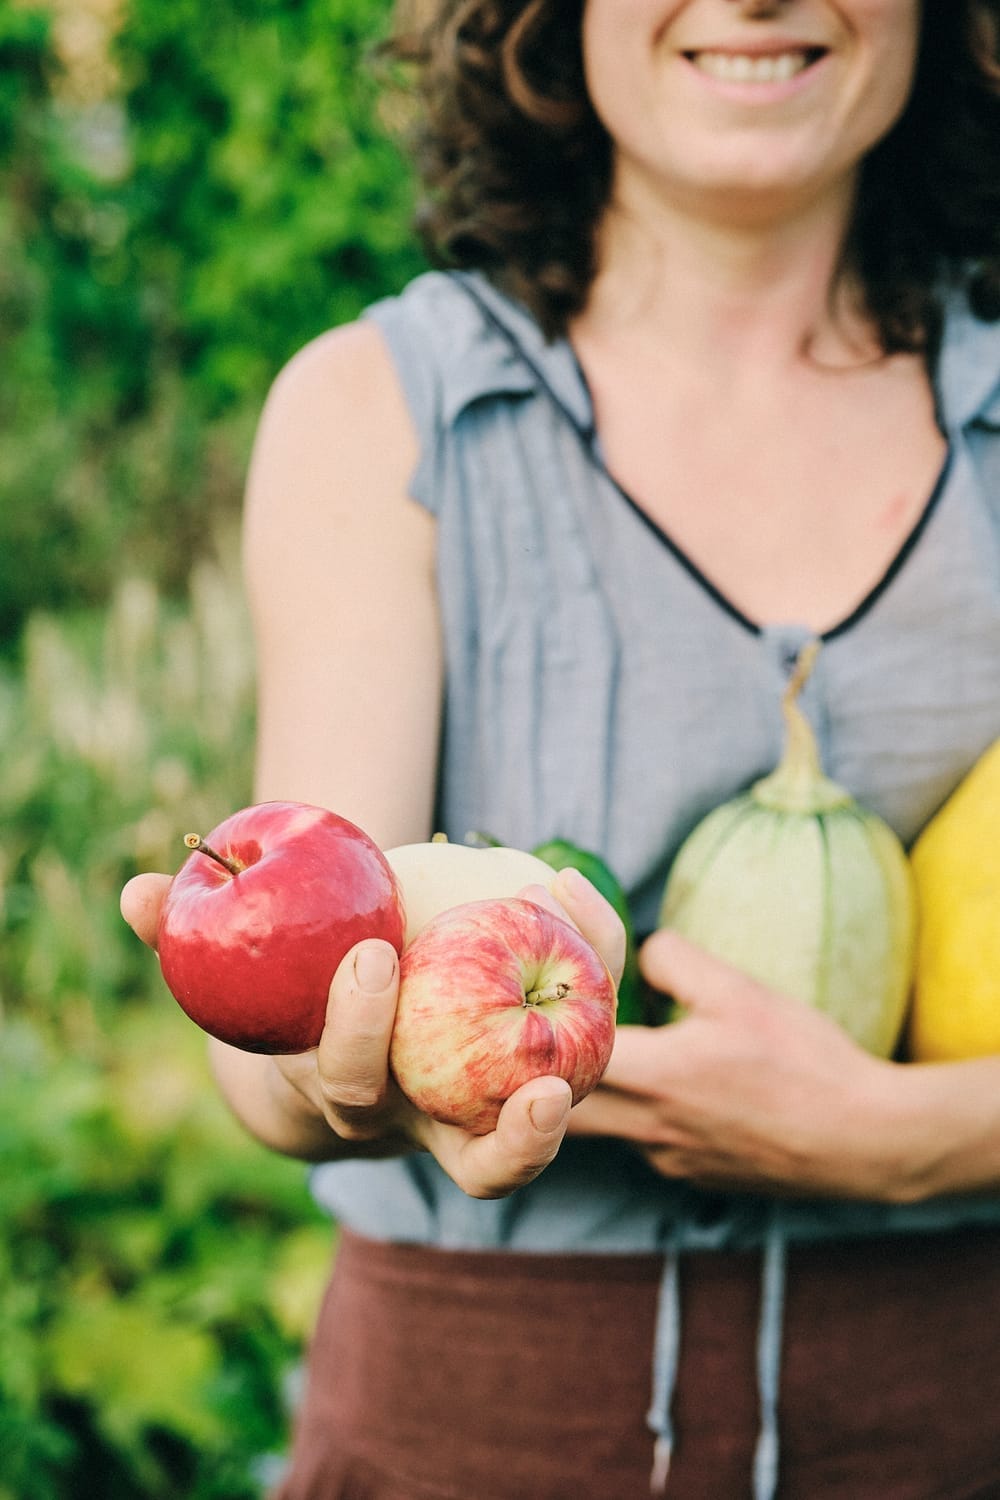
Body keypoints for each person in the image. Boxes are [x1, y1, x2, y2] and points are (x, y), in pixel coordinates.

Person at [122, 1, 1000, 1495]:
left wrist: (912, 1139)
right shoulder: (382, 411)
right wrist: (332, 1078)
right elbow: (297, 1001)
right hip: (476, 1426)